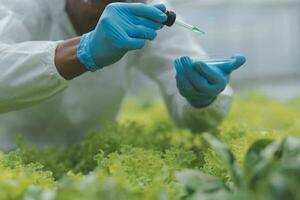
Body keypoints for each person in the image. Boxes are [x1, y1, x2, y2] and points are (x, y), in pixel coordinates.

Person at [0, 0, 246, 150]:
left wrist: (204, 97)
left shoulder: (150, 11)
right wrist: (83, 50)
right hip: (10, 155)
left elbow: (187, 62)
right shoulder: (22, 6)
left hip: (93, 159)